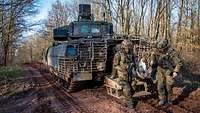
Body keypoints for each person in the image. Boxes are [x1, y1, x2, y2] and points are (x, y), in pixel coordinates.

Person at [149, 38, 182, 105]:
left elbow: (179, 63)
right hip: (160, 69)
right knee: (160, 86)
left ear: (165, 47)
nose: (160, 50)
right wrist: (152, 61)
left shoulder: (172, 53)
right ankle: (162, 99)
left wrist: (176, 71)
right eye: (159, 48)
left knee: (168, 87)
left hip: (169, 70)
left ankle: (169, 100)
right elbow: (153, 55)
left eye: (162, 48)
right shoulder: (157, 50)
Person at [111, 39, 137, 108]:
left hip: (131, 73)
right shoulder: (118, 54)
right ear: (123, 46)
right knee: (127, 89)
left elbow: (135, 63)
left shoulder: (132, 54)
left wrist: (133, 65)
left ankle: (126, 98)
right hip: (123, 74)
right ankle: (130, 103)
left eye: (129, 46)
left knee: (133, 86)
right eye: (127, 46)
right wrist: (122, 69)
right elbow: (115, 65)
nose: (128, 48)